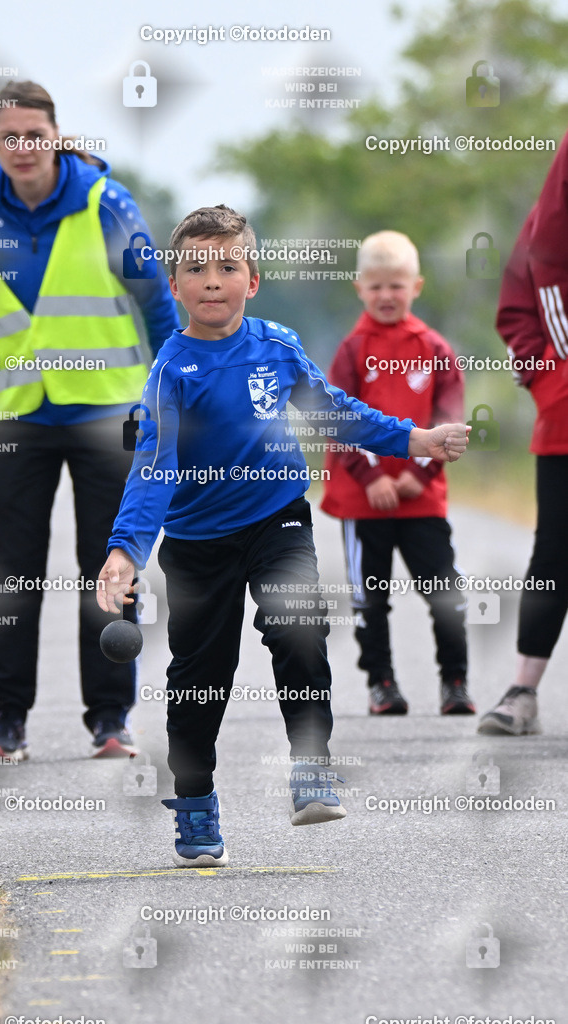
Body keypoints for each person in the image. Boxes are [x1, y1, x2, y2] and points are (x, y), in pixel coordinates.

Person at [96, 205, 469, 867]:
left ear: (253, 279)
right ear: (175, 286)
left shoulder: (277, 346)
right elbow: (153, 467)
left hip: (278, 518)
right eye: (195, 269)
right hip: (197, 540)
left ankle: (310, 766)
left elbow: (335, 413)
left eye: (227, 266)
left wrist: (415, 440)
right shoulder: (171, 372)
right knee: (199, 679)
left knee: (300, 628)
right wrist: (125, 551)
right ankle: (194, 800)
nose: (212, 280)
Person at [0, 80, 180, 761]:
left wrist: (167, 397)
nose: (22, 147)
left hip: (108, 410)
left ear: (55, 136)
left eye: (33, 134)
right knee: (13, 569)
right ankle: (6, 722)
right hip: (16, 413)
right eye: (9, 136)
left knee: (107, 567)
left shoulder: (107, 203)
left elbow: (157, 306)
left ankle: (110, 719)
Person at [320, 231, 474, 717]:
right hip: (363, 501)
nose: (387, 295)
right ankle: (381, 684)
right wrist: (373, 479)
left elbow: (450, 420)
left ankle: (455, 682)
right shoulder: (351, 350)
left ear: (417, 286)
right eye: (377, 285)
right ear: (359, 287)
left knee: (445, 592)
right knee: (371, 598)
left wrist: (418, 475)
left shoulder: (436, 349)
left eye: (397, 285)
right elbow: (336, 420)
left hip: (421, 499)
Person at [478, 131, 568, 735]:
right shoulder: (546, 229)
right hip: (566, 413)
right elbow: (518, 304)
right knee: (556, 550)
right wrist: (549, 379)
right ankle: (522, 692)